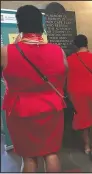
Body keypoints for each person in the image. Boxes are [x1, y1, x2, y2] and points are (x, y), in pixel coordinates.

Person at [1, 5, 68, 172]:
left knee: (29, 157)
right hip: (52, 108)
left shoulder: (6, 52)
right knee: (51, 153)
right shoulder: (58, 51)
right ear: (41, 23)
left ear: (19, 24)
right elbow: (63, 74)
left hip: (20, 111)